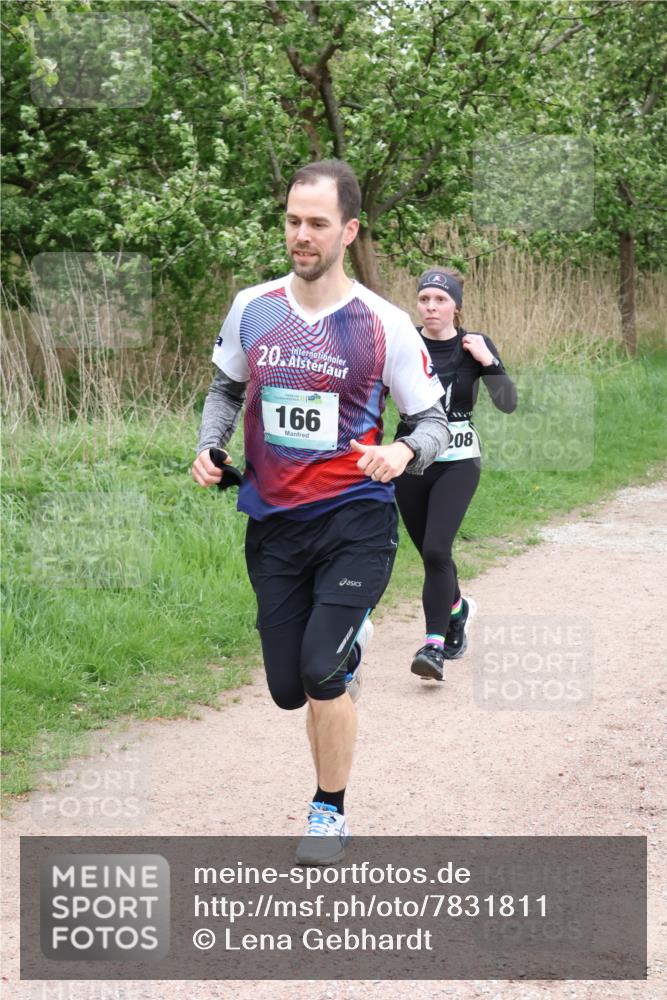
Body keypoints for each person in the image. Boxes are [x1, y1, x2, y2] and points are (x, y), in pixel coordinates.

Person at [191, 160, 449, 864]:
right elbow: (223, 388)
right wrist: (209, 445)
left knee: (316, 672)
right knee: (283, 689)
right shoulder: (253, 307)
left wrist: (403, 454)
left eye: (317, 224)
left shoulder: (383, 324)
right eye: (292, 222)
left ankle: (328, 811)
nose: (300, 237)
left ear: (349, 230)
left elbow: (432, 422)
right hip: (273, 522)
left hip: (354, 520)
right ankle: (343, 651)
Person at [394, 267, 517, 682]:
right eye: (425, 299)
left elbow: (508, 402)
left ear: (456, 307)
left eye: (440, 300)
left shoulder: (473, 345)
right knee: (434, 554)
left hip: (460, 460)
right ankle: (457, 608)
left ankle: (433, 647)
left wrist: (489, 360)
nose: (431, 307)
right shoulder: (403, 343)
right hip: (410, 459)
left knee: (434, 550)